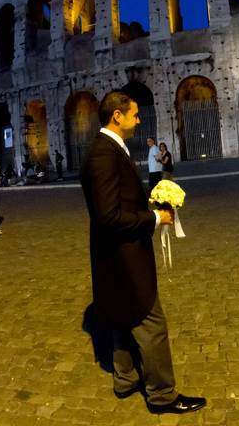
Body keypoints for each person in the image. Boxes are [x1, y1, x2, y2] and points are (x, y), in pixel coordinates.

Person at [80, 91, 205, 415]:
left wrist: (147, 202)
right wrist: (154, 218)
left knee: (121, 314)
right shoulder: (103, 155)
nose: (138, 120)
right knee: (151, 321)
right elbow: (107, 217)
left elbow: (116, 202)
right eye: (134, 114)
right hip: (124, 256)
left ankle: (125, 380)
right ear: (117, 116)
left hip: (115, 255)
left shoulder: (107, 149)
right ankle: (162, 395)